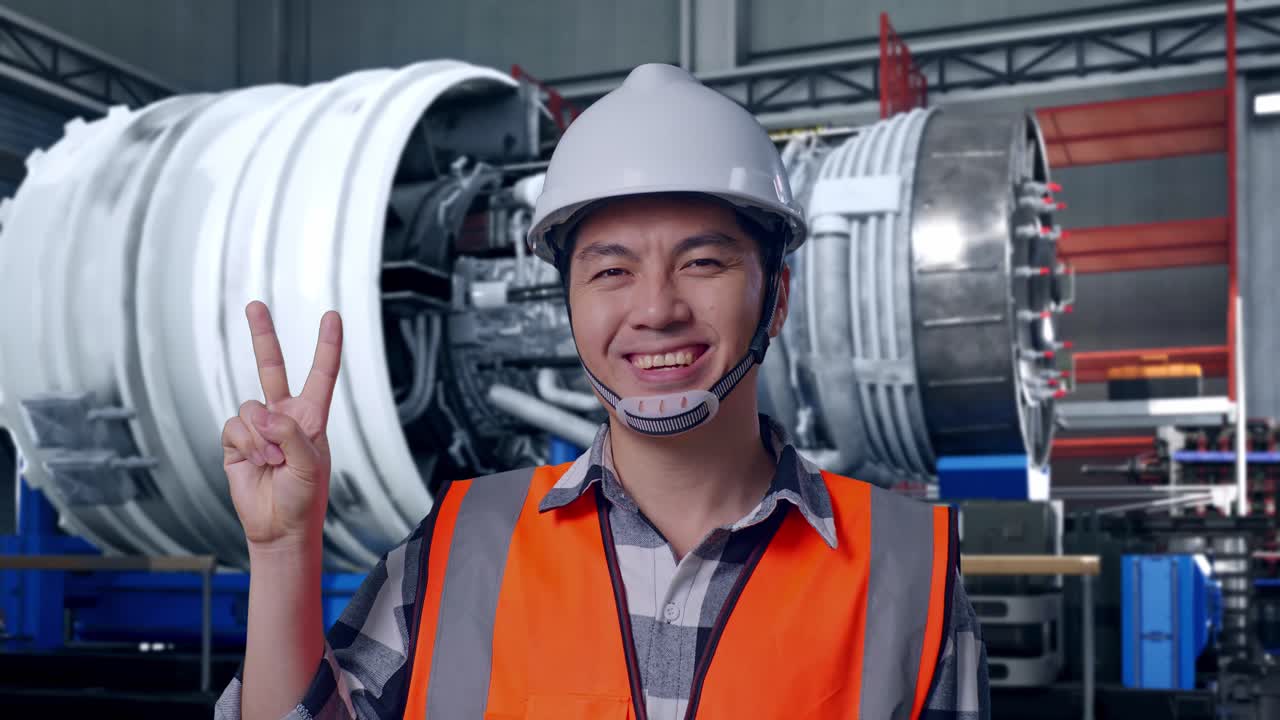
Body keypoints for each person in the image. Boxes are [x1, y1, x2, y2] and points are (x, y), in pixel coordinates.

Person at [216, 63, 989, 720]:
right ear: (568, 306)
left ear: (777, 297)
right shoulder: (458, 548)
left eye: (703, 263)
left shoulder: (906, 573)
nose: (656, 309)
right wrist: (283, 551)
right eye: (612, 271)